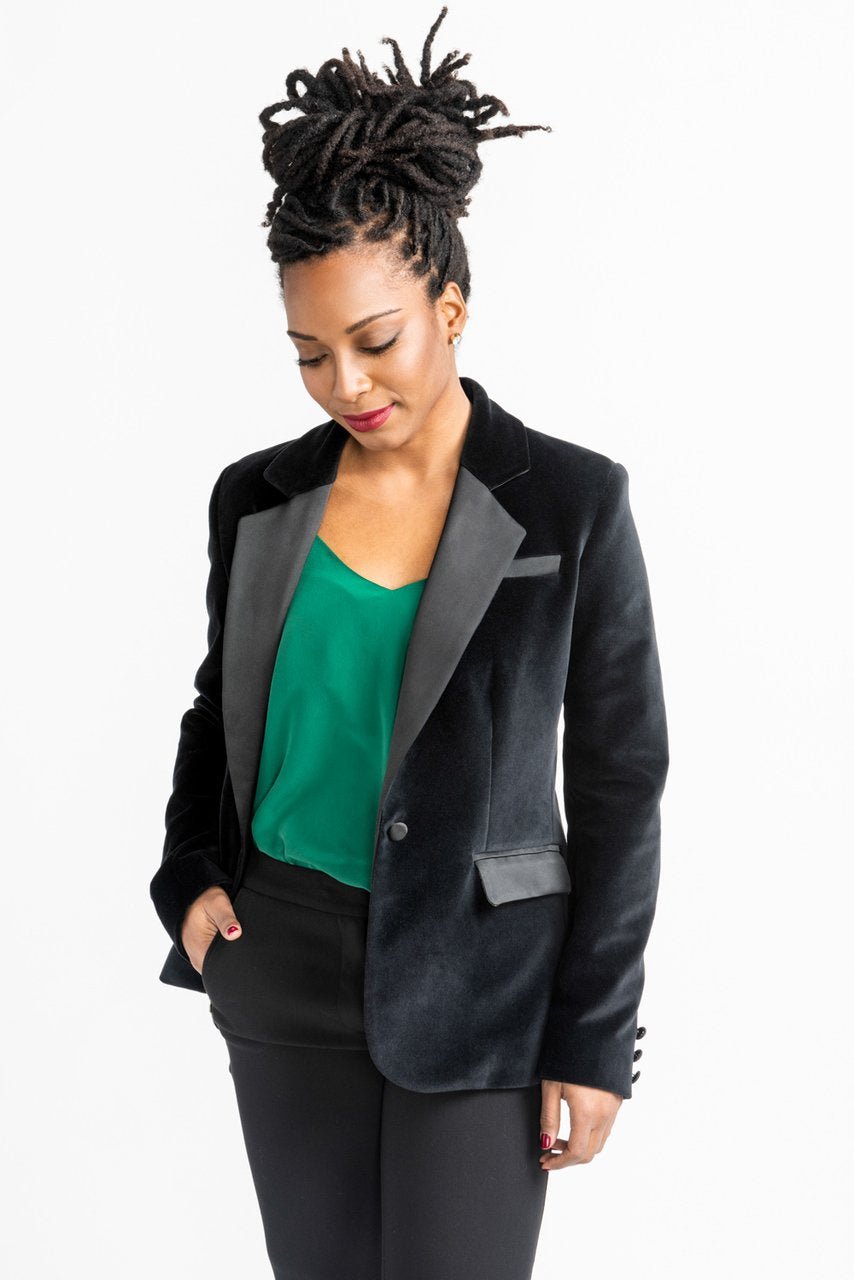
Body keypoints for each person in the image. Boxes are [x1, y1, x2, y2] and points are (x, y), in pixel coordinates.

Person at [150, 8, 670, 1278]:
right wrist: (190, 876)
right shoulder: (257, 498)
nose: (345, 383)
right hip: (279, 967)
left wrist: (593, 1036)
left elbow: (618, 777)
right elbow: (221, 703)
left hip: (483, 987)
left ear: (449, 305)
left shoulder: (569, 503)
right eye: (309, 354)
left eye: (374, 340)